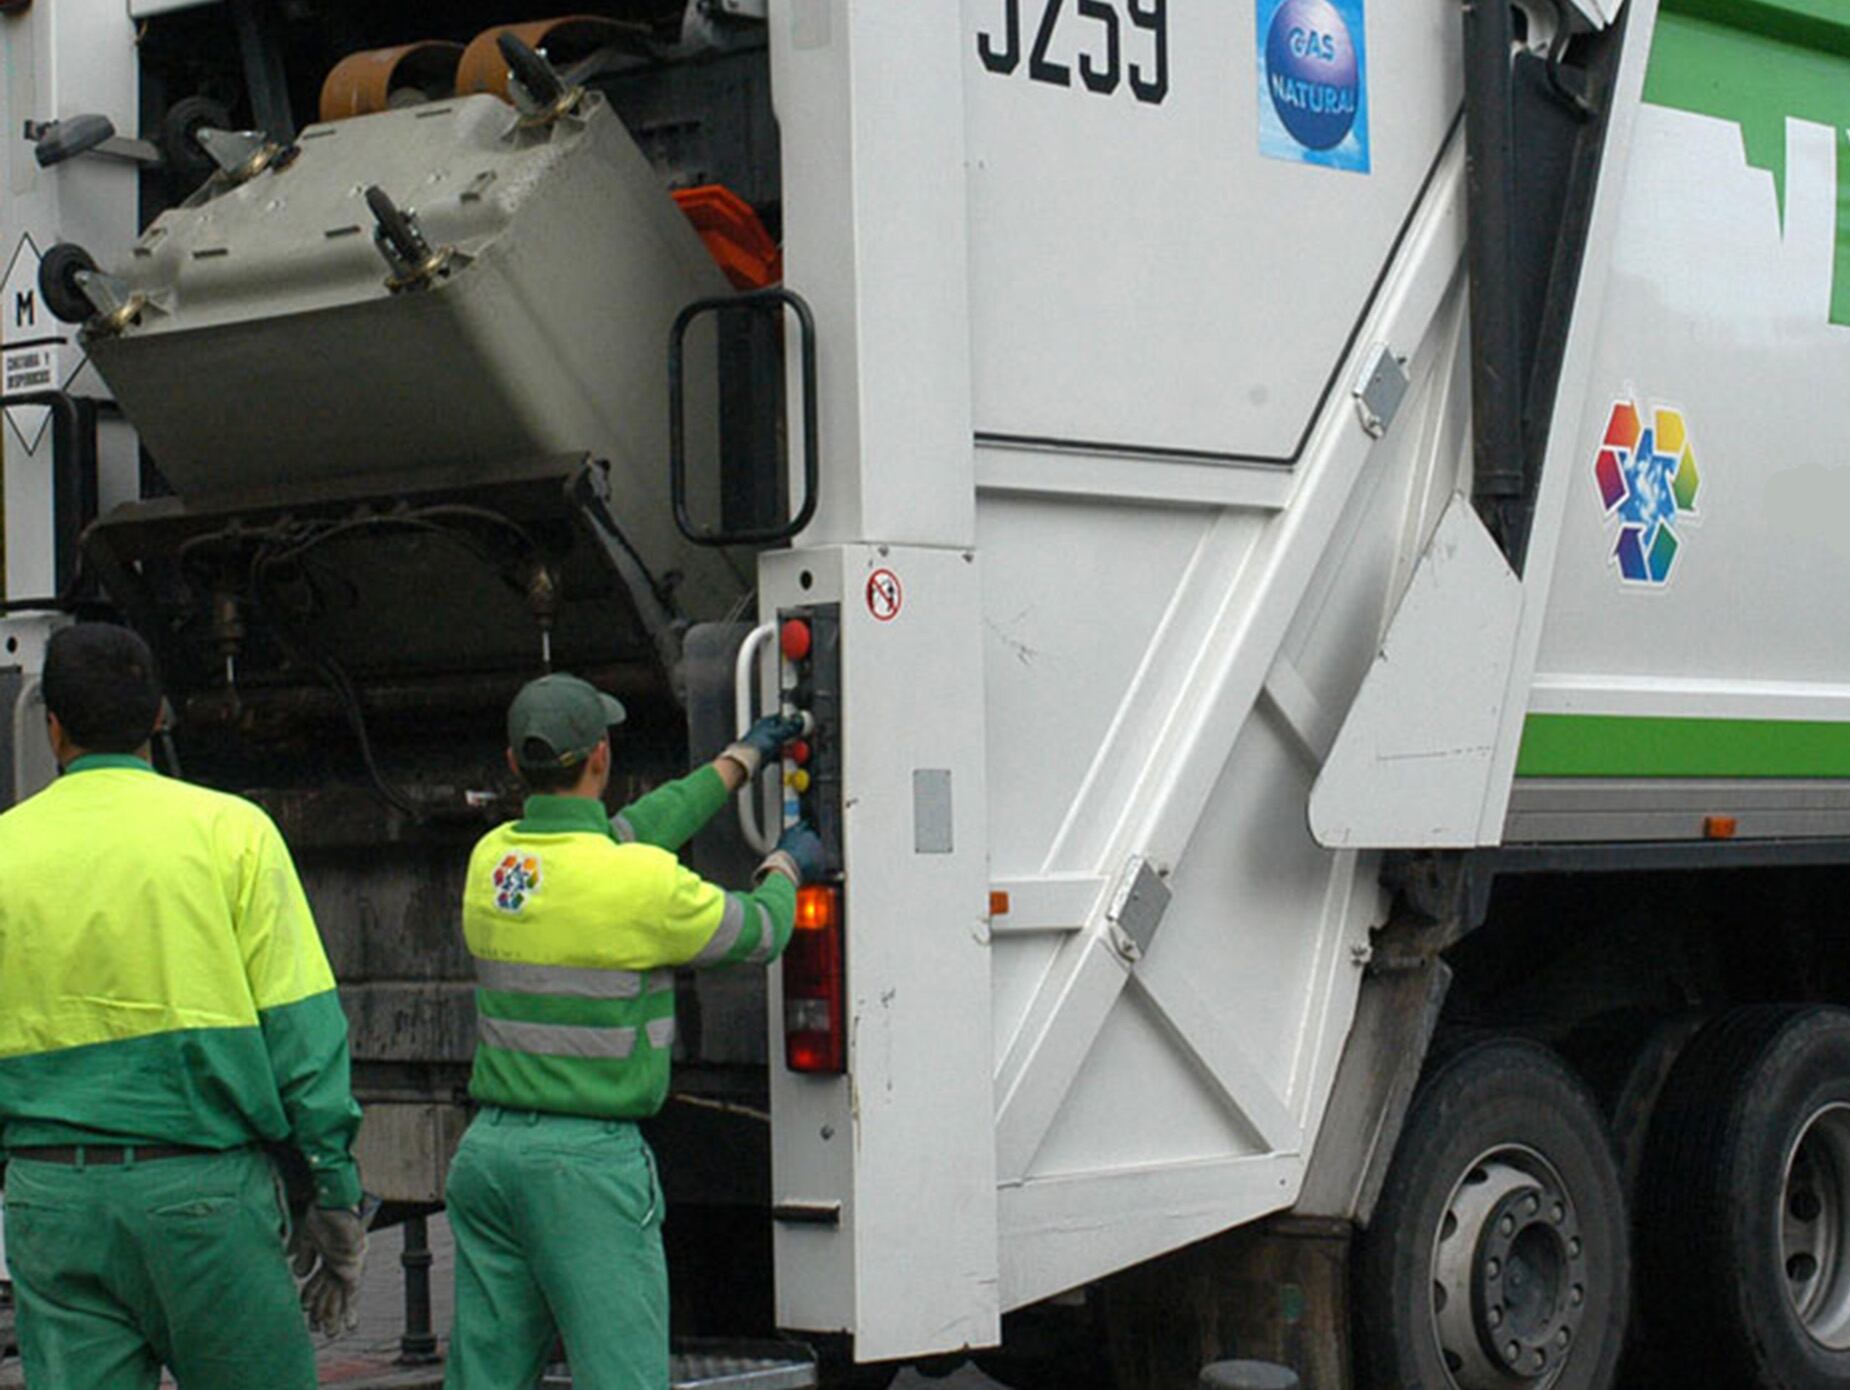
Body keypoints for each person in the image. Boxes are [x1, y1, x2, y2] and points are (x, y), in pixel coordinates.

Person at [0, 623, 366, 1390]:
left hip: (51, 1199)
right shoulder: (232, 834)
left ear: (52, 726)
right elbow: (303, 1036)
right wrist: (332, 1193)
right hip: (202, 1199)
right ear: (159, 715)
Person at [445, 672, 821, 1390]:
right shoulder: (643, 887)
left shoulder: (494, 862)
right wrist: (784, 864)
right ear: (601, 757)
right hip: (586, 1169)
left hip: (490, 1160)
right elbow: (766, 932)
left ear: (514, 765)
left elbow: (628, 832)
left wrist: (736, 763)